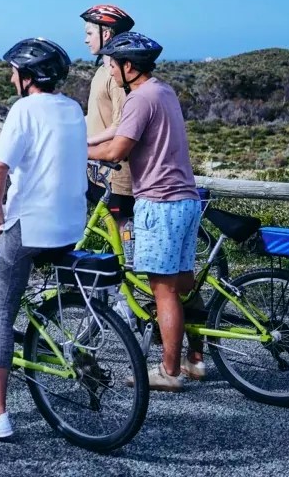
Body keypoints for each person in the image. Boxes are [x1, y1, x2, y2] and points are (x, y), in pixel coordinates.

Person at [0, 38, 87, 440]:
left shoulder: (24, 108)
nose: (12, 77)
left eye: (15, 71)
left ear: (29, 77)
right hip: (70, 227)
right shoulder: (73, 108)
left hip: (30, 228)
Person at [88, 31, 204, 389]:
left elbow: (116, 150)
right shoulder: (163, 91)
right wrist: (81, 138)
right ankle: (195, 360)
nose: (109, 71)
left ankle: (168, 372)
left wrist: (73, 152)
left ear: (128, 67)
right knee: (183, 282)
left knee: (163, 291)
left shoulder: (139, 99)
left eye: (112, 65)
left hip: (160, 202)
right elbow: (115, 133)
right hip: (185, 199)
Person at [80, 4, 136, 218]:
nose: (86, 40)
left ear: (105, 33)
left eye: (89, 33)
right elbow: (95, 115)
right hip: (100, 169)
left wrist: (85, 144)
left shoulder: (116, 76)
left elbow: (121, 124)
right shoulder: (103, 71)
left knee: (125, 232)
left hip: (117, 173)